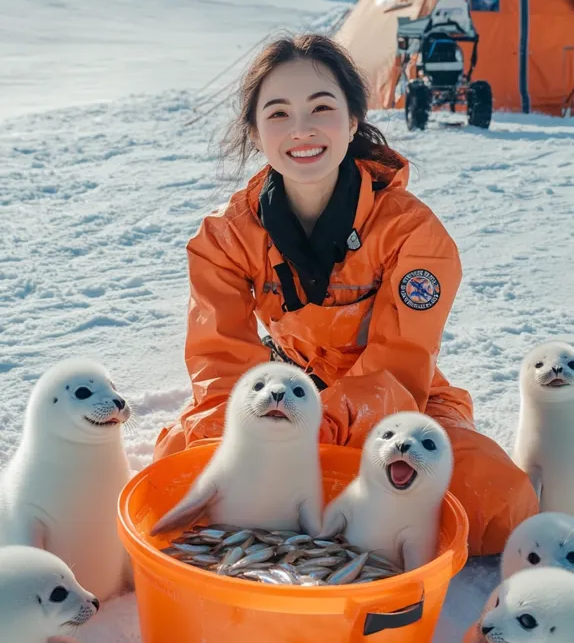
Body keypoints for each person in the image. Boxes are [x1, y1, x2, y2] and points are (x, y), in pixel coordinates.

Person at [154, 34, 537, 555]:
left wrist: (317, 430)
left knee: (497, 499)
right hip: (284, 394)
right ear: (256, 131)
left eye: (321, 107)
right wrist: (251, 433)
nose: (303, 129)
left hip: (395, 401)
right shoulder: (224, 235)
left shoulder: (412, 231)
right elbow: (219, 361)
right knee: (180, 458)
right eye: (279, 113)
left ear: (353, 121)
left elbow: (402, 361)